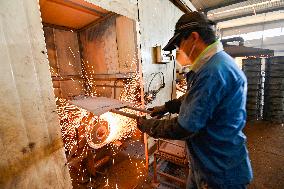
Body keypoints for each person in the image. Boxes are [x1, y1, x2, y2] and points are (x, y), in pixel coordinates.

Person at [136, 11, 253, 189]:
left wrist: (148, 126)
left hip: (219, 172)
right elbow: (196, 97)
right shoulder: (217, 63)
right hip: (206, 163)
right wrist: (167, 106)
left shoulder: (212, 72)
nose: (179, 51)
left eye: (179, 45)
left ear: (194, 37)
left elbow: (184, 127)